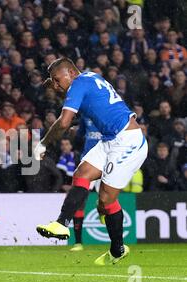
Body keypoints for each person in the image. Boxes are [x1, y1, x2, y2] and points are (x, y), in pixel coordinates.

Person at [34, 57, 148, 265]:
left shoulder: (79, 83)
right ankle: (62, 223)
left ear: (71, 72)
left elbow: (64, 122)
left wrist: (43, 143)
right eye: (54, 81)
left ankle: (117, 250)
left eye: (58, 80)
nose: (56, 85)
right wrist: (59, 86)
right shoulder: (88, 79)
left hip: (128, 142)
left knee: (105, 201)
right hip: (110, 139)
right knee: (81, 174)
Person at [69, 116, 102, 252]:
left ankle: (118, 243)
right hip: (87, 164)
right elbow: (78, 139)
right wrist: (74, 135)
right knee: (79, 201)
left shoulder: (108, 117)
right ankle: (78, 242)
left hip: (105, 163)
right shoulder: (85, 118)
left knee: (107, 201)